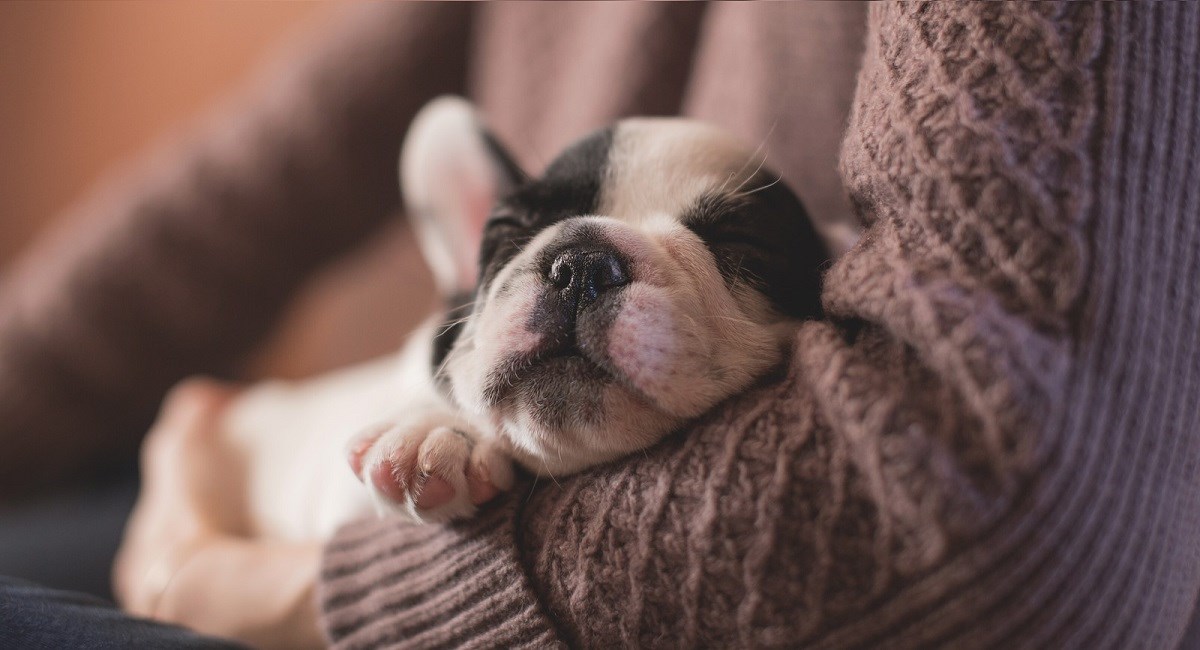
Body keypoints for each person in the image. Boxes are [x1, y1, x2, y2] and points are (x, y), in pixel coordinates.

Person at [2, 3, 1200, 648]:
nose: (574, 272)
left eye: (727, 254)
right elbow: (216, 210)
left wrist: (265, 586)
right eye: (533, 237)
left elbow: (1008, 514)